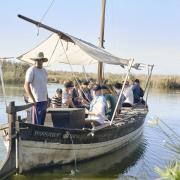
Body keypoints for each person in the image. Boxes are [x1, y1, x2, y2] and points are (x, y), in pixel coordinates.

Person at [24, 52, 48, 125]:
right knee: (36, 125)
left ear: (43, 61)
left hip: (44, 101)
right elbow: (26, 85)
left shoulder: (45, 71)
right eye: (37, 60)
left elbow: (44, 85)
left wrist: (47, 98)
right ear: (35, 60)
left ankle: (40, 136)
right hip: (36, 102)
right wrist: (33, 100)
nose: (39, 61)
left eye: (41, 60)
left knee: (41, 124)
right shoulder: (31, 70)